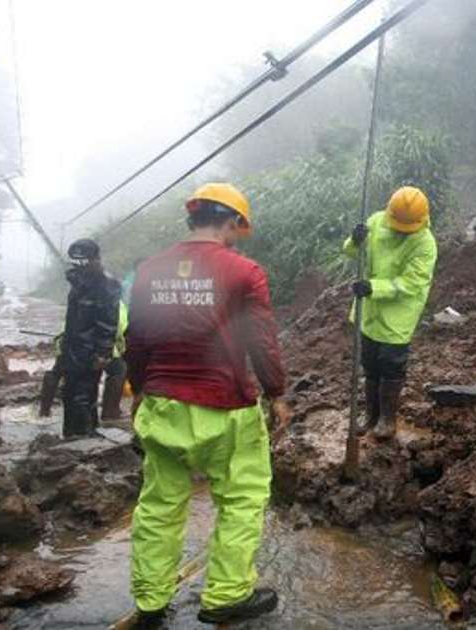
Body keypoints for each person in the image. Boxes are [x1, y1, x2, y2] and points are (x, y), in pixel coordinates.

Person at [124, 182, 290, 627]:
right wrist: (276, 394)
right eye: (239, 227)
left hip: (163, 403)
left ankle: (151, 602)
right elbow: (262, 340)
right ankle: (225, 596)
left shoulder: (150, 270)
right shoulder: (244, 272)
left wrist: (139, 389)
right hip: (226, 407)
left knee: (159, 505)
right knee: (242, 499)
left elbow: (136, 339)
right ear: (232, 221)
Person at [343, 186, 438, 441]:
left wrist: (374, 287)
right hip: (370, 311)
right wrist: (355, 240)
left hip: (398, 315)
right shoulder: (375, 222)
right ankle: (371, 415)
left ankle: (387, 418)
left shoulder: (425, 244)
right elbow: (353, 252)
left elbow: (410, 283)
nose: (399, 231)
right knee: (370, 364)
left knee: (391, 365)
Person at [58, 239, 121, 438]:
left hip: (90, 349)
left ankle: (83, 438)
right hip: (72, 347)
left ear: (95, 259)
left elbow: (108, 321)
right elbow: (74, 318)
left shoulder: (106, 283)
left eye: (84, 262)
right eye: (75, 263)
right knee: (70, 393)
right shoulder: (78, 281)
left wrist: (103, 352)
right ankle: (74, 434)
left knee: (83, 394)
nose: (79, 267)